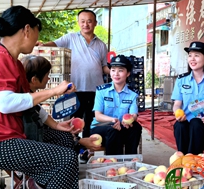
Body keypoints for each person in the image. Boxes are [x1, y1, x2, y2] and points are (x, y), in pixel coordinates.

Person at [0, 6, 79, 189]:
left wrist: (55, 125)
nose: (37, 40)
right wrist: (53, 91)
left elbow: (29, 105)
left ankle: (39, 183)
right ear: (27, 29)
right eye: (37, 33)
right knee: (65, 160)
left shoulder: (13, 61)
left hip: (9, 136)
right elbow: (5, 103)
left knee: (64, 140)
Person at [39, 9, 110, 138]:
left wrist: (116, 71)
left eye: (89, 21)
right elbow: (55, 43)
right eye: (82, 21)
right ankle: (75, 147)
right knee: (74, 121)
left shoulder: (101, 45)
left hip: (96, 90)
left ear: (95, 23)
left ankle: (88, 150)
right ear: (78, 22)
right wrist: (42, 44)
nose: (86, 24)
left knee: (91, 121)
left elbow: (104, 66)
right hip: (75, 89)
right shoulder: (70, 37)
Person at [21, 55, 102, 152]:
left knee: (67, 137)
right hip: (29, 146)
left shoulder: (30, 97)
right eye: (47, 75)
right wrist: (80, 142)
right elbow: (35, 136)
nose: (49, 79)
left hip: (36, 140)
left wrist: (57, 125)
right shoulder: (23, 100)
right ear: (34, 80)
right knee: (68, 153)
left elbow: (41, 112)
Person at [171, 41, 204, 155]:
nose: (192, 59)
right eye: (190, 55)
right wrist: (177, 113)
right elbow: (177, 104)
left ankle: (191, 160)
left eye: (197, 55)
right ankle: (182, 158)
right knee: (180, 125)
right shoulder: (181, 81)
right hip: (186, 125)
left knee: (196, 123)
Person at [90, 55, 142, 155]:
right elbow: (98, 116)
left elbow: (134, 114)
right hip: (101, 127)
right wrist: (112, 120)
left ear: (128, 73)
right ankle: (113, 163)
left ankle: (130, 160)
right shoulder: (101, 91)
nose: (116, 74)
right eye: (113, 70)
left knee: (136, 127)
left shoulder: (133, 94)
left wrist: (129, 120)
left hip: (122, 126)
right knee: (113, 129)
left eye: (121, 70)